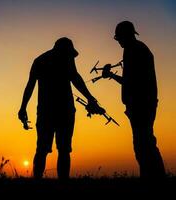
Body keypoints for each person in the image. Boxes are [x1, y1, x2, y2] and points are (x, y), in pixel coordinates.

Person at [18, 37, 105, 179]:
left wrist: (23, 108)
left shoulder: (41, 60)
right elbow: (75, 78)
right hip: (59, 111)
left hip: (52, 111)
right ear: (62, 50)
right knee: (55, 150)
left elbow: (75, 78)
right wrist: (23, 108)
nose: (70, 57)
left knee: (50, 149)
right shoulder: (52, 60)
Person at [102, 21, 166, 179]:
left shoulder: (134, 51)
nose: (119, 42)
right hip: (141, 103)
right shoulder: (137, 49)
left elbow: (132, 81)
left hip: (141, 104)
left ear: (125, 36)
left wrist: (111, 75)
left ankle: (154, 177)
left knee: (144, 145)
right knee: (145, 143)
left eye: (119, 39)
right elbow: (131, 80)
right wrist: (112, 75)